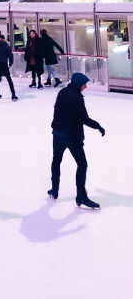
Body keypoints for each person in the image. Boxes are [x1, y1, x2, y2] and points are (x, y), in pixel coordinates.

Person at [48, 72, 105, 208]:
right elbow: (84, 118)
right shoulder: (77, 97)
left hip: (57, 134)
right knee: (82, 164)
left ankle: (54, 190)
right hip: (71, 137)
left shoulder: (62, 92)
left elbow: (56, 111)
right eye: (84, 84)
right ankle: (81, 196)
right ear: (79, 84)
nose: (85, 87)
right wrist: (98, 126)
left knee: (56, 161)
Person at [0, 34, 17, 101]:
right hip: (3, 63)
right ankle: (13, 94)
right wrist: (10, 63)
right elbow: (10, 55)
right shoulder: (6, 46)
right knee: (8, 78)